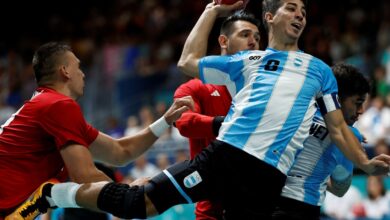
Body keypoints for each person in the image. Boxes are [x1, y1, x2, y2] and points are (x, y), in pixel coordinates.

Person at [16, 1, 390, 220]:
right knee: (137, 203)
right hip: (225, 159)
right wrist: (211, 11)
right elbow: (188, 61)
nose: (300, 14)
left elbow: (338, 127)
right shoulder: (247, 61)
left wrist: (364, 160)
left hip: (267, 179)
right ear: (270, 16)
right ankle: (55, 195)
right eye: (291, 7)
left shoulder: (319, 70)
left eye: (304, 10)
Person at [0, 42, 194, 220]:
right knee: (56, 193)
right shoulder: (57, 105)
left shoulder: (48, 106)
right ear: (65, 71)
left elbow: (120, 152)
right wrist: (127, 191)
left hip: (12, 208)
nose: (83, 74)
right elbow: (83, 176)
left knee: (52, 193)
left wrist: (165, 121)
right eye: (78, 67)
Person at [173, 11, 260, 220]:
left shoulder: (262, 88)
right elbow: (182, 121)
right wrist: (223, 124)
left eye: (257, 37)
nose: (253, 42)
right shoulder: (196, 87)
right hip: (212, 205)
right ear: (223, 41)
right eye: (245, 35)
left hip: (258, 200)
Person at [272, 63, 370, 219]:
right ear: (337, 98)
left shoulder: (292, 110)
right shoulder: (350, 136)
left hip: (264, 200)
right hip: (301, 207)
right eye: (357, 103)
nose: (361, 111)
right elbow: (340, 188)